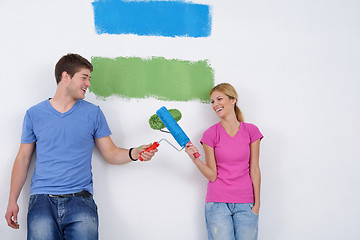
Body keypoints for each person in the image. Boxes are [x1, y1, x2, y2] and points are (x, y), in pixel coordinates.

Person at [4, 53, 157, 240]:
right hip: (42, 202)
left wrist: (135, 153)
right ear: (65, 76)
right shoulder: (34, 114)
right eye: (84, 77)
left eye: (89, 79)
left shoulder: (93, 114)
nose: (89, 84)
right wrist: (12, 201)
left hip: (81, 202)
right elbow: (23, 158)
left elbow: (111, 153)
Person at [185, 83, 263, 240]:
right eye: (212, 101)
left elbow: (254, 169)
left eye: (219, 99)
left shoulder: (251, 131)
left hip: (246, 203)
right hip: (218, 204)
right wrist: (195, 159)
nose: (215, 105)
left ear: (233, 100)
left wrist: (257, 204)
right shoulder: (210, 134)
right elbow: (212, 175)